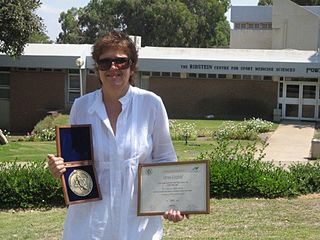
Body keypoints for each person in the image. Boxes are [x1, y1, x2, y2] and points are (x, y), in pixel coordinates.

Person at [47, 31, 187, 240]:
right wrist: (60, 169)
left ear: (132, 66)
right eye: (105, 63)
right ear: (98, 69)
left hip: (138, 228)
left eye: (121, 61)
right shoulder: (81, 107)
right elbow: (75, 165)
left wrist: (173, 201)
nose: (113, 68)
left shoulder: (151, 104)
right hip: (89, 227)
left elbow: (166, 159)